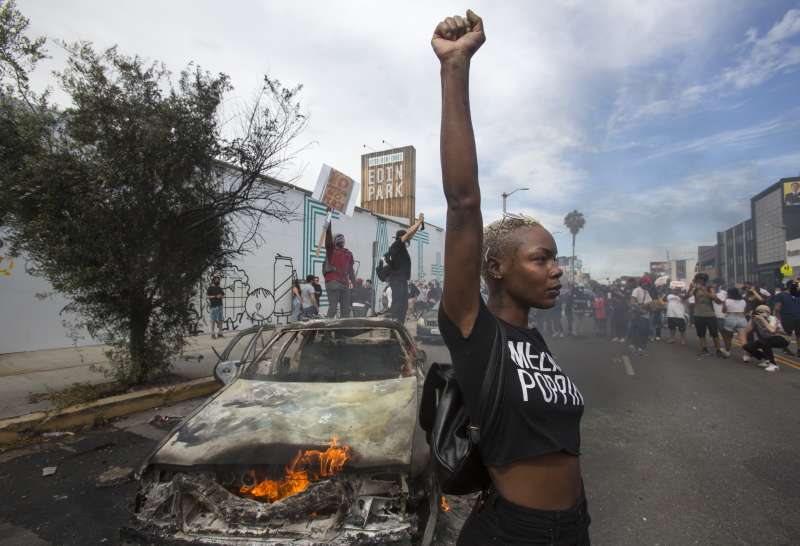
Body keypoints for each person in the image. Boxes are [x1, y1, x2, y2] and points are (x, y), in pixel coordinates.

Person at [432, 11, 589, 545]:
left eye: (553, 258)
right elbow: (463, 200)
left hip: (573, 527)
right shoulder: (475, 330)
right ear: (496, 268)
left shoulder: (535, 340)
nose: (556, 269)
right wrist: (455, 69)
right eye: (541, 259)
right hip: (515, 534)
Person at [385, 215, 425, 322]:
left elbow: (410, 234)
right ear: (401, 238)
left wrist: (419, 224)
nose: (409, 240)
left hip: (401, 280)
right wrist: (419, 222)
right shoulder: (396, 245)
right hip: (397, 280)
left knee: (403, 305)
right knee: (398, 304)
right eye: (407, 238)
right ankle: (394, 327)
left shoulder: (401, 248)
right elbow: (409, 233)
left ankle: (399, 326)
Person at [323, 224, 357, 318]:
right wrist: (328, 225)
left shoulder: (348, 253)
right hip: (333, 282)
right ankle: (327, 331)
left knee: (345, 310)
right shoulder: (331, 251)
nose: (341, 240)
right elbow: (328, 240)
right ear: (335, 241)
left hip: (344, 283)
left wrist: (354, 285)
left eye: (342, 239)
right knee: (333, 309)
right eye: (339, 238)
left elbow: (351, 271)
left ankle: (342, 331)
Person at [741, 305, 787, 372]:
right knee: (747, 346)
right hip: (767, 339)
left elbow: (772, 330)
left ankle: (774, 365)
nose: (760, 313)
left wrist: (762, 319)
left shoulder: (772, 318)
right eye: (758, 312)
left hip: (782, 339)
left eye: (763, 311)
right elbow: (745, 331)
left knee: (765, 341)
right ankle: (767, 359)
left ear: (768, 312)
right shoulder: (755, 319)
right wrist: (751, 319)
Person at [689, 273, 724, 357]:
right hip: (698, 314)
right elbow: (687, 296)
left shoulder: (709, 288)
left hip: (710, 314)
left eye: (700, 279)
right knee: (701, 334)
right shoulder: (695, 289)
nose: (699, 281)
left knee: (714, 334)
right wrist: (691, 288)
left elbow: (715, 299)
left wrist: (703, 289)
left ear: (704, 280)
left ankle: (718, 350)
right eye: (697, 279)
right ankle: (704, 349)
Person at [773, 279, 800, 356]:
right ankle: (787, 348)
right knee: (789, 335)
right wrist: (778, 318)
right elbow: (777, 308)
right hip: (787, 318)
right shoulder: (781, 295)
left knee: (792, 334)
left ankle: (796, 350)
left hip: (795, 318)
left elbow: (777, 308)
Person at [720, 287, 747, 356]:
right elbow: (744, 311)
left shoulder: (727, 301)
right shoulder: (743, 301)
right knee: (743, 338)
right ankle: (746, 355)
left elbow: (723, 311)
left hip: (730, 318)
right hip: (742, 318)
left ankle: (727, 351)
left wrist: (724, 304)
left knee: (728, 337)